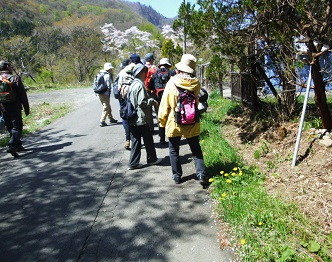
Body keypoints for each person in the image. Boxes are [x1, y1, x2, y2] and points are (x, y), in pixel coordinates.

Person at [158, 54, 207, 184]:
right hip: (192, 120)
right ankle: (201, 174)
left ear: (179, 69)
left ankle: (177, 176)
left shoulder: (172, 83)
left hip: (175, 122)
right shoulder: (196, 83)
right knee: (195, 148)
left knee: (174, 149)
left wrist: (162, 122)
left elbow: (164, 105)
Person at [127, 63, 162, 170]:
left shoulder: (133, 84)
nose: (146, 73)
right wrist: (152, 101)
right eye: (145, 71)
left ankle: (133, 163)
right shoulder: (140, 85)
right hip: (140, 118)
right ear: (140, 73)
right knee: (148, 140)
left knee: (136, 141)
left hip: (132, 117)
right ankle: (152, 159)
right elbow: (142, 102)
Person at [0, 60, 30, 157]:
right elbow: (22, 95)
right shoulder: (14, 78)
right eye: (10, 66)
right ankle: (11, 145)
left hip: (3, 108)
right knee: (17, 127)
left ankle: (17, 145)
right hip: (15, 107)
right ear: (7, 67)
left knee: (10, 127)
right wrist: (26, 108)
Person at [148, 58, 176, 144]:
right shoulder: (171, 73)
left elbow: (150, 86)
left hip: (159, 99)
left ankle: (162, 139)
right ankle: (173, 137)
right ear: (167, 65)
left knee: (161, 118)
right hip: (170, 99)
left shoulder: (155, 73)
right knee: (172, 117)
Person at [116, 54, 141, 149]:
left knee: (125, 116)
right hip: (134, 96)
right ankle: (136, 138)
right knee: (135, 114)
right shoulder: (138, 70)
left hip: (123, 96)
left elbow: (118, 87)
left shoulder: (122, 72)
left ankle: (127, 139)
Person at [98, 62, 118, 127]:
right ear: (108, 69)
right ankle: (102, 121)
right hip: (105, 93)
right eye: (111, 68)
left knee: (107, 106)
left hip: (100, 93)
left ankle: (111, 118)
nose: (111, 70)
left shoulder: (99, 74)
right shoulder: (107, 76)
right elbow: (109, 86)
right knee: (106, 107)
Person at [144, 53, 157, 132]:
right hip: (154, 91)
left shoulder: (142, 68)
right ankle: (161, 128)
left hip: (145, 91)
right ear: (151, 60)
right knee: (157, 110)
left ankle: (151, 129)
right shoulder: (153, 68)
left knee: (148, 111)